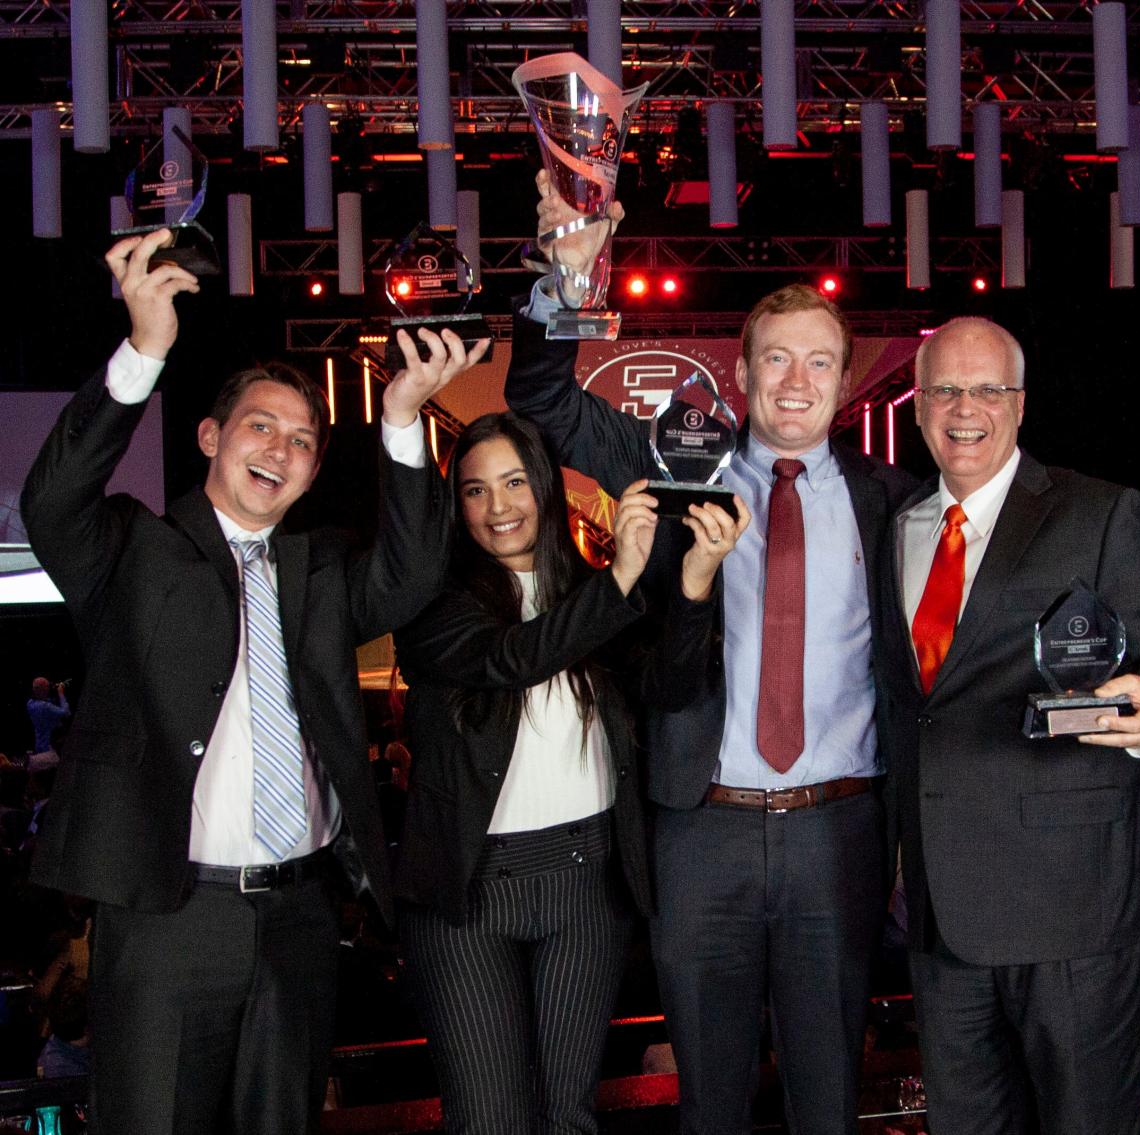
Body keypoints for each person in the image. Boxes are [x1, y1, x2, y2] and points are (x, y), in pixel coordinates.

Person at [20, 228, 488, 1134]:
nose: (281, 448)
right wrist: (145, 348)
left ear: (315, 470)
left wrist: (399, 417)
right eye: (260, 426)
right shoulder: (135, 552)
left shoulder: (317, 570)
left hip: (301, 915)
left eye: (304, 440)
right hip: (166, 916)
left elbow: (413, 574)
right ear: (210, 436)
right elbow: (49, 503)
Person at [504, 171, 917, 1135]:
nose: (797, 382)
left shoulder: (893, 501)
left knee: (829, 1105)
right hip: (702, 831)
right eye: (777, 360)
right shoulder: (669, 461)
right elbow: (541, 403)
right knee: (710, 1108)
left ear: (846, 380)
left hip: (839, 832)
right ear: (739, 373)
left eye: (819, 362)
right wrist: (563, 284)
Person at [882, 316, 1140, 1135]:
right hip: (940, 915)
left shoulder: (1099, 513)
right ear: (918, 407)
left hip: (1071, 907)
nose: (966, 408)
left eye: (987, 389)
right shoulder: (897, 528)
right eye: (946, 390)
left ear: (1020, 405)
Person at [392, 411, 746, 1134]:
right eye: (475, 490)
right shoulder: (433, 606)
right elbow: (513, 659)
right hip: (470, 896)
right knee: (491, 1120)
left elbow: (670, 686)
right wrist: (618, 578)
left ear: (547, 487)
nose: (499, 507)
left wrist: (695, 582)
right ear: (455, 504)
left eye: (516, 481)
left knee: (569, 1117)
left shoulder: (590, 592)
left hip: (586, 884)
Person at [26, 677, 69, 755]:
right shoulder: (45, 706)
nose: (49, 688)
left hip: (39, 742)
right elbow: (65, 712)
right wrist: (60, 693)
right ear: (43, 690)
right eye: (47, 686)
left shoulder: (30, 703)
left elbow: (45, 700)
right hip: (50, 745)